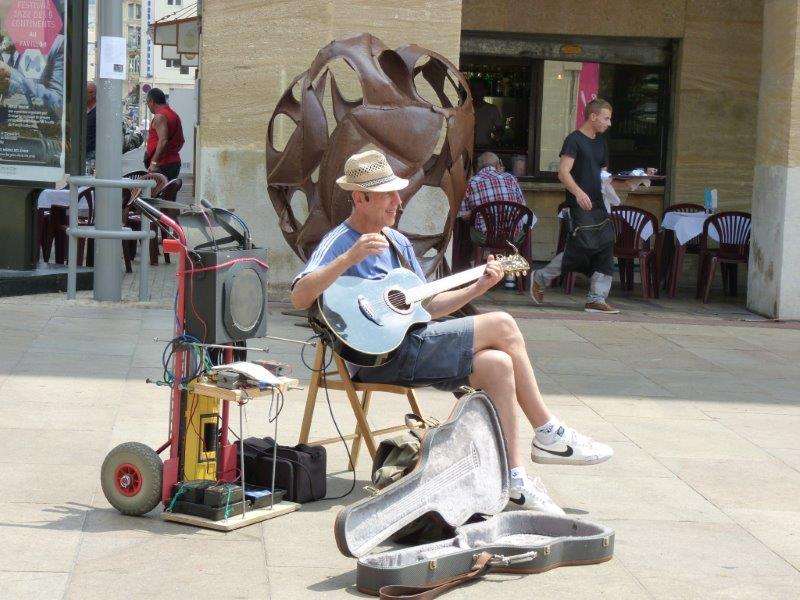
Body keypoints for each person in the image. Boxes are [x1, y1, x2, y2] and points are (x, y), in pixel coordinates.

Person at [292, 150, 613, 515]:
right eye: (387, 195)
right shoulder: (340, 241)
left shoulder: (397, 243)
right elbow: (300, 296)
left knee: (497, 365)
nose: (398, 202)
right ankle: (549, 432)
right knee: (504, 324)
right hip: (380, 358)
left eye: (398, 193)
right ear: (360, 198)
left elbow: (426, 306)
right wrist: (348, 258)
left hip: (413, 347)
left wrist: (478, 287)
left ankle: (515, 480)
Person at [530, 98, 619, 314]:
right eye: (606, 118)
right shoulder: (574, 140)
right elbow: (563, 172)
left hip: (599, 205)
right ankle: (541, 277)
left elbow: (603, 176)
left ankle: (597, 298)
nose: (609, 123)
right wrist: (578, 193)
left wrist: (631, 181)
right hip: (579, 205)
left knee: (606, 247)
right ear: (593, 116)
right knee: (582, 247)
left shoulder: (601, 143)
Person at [459, 151, 529, 246]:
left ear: (478, 167)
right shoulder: (510, 178)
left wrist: (478, 212)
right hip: (513, 236)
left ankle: (474, 258)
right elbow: (522, 207)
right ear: (497, 165)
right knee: (526, 224)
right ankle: (518, 257)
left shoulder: (471, 182)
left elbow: (464, 216)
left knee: (469, 228)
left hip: (484, 237)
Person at [143, 87, 184, 181]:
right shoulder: (174, 115)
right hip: (173, 163)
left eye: (147, 103)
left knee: (154, 195)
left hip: (162, 165)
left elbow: (163, 141)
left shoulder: (160, 116)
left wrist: (154, 163)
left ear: (151, 101)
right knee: (168, 194)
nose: (148, 106)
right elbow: (181, 140)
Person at [471, 79, 502, 148]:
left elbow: (500, 129)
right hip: (467, 149)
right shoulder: (465, 109)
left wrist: (495, 136)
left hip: (486, 148)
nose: (475, 92)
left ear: (485, 91)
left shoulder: (492, 109)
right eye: (473, 89)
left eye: (479, 89)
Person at [85, 81, 97, 164]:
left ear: (93, 93)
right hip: (81, 151)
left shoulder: (99, 111)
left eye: (87, 92)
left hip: (92, 152)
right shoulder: (81, 108)